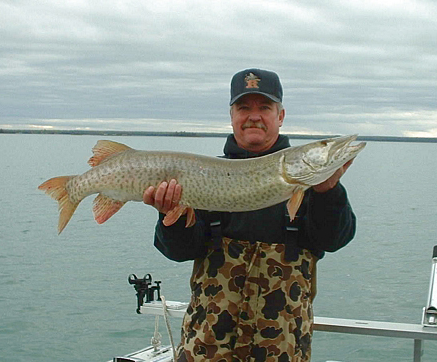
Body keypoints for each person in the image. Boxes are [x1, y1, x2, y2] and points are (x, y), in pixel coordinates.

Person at [143, 68, 357, 361]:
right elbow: (180, 251)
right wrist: (172, 215)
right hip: (207, 348)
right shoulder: (202, 177)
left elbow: (334, 240)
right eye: (244, 107)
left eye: (264, 108)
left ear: (280, 116)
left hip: (281, 350)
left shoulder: (310, 185)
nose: (254, 116)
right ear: (231, 115)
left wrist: (329, 192)